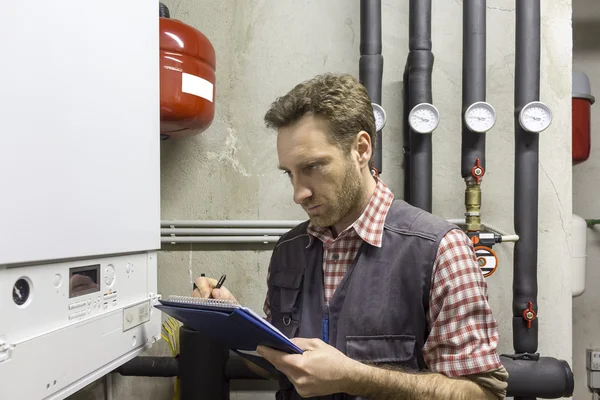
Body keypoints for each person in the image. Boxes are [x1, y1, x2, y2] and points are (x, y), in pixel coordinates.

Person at [193, 73, 509, 399]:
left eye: (313, 167)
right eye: (291, 173)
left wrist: (353, 377)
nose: (298, 193)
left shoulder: (440, 251)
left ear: (361, 149)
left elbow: (482, 394)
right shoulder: (289, 250)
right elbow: (279, 367)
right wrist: (234, 322)